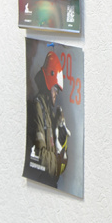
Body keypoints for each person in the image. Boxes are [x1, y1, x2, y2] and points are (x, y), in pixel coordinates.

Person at [25, 50, 70, 187]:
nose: (56, 94)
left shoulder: (49, 113)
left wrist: (61, 138)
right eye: (56, 89)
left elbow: (61, 162)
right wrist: (57, 159)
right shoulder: (37, 107)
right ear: (49, 83)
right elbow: (40, 155)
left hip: (48, 185)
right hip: (40, 183)